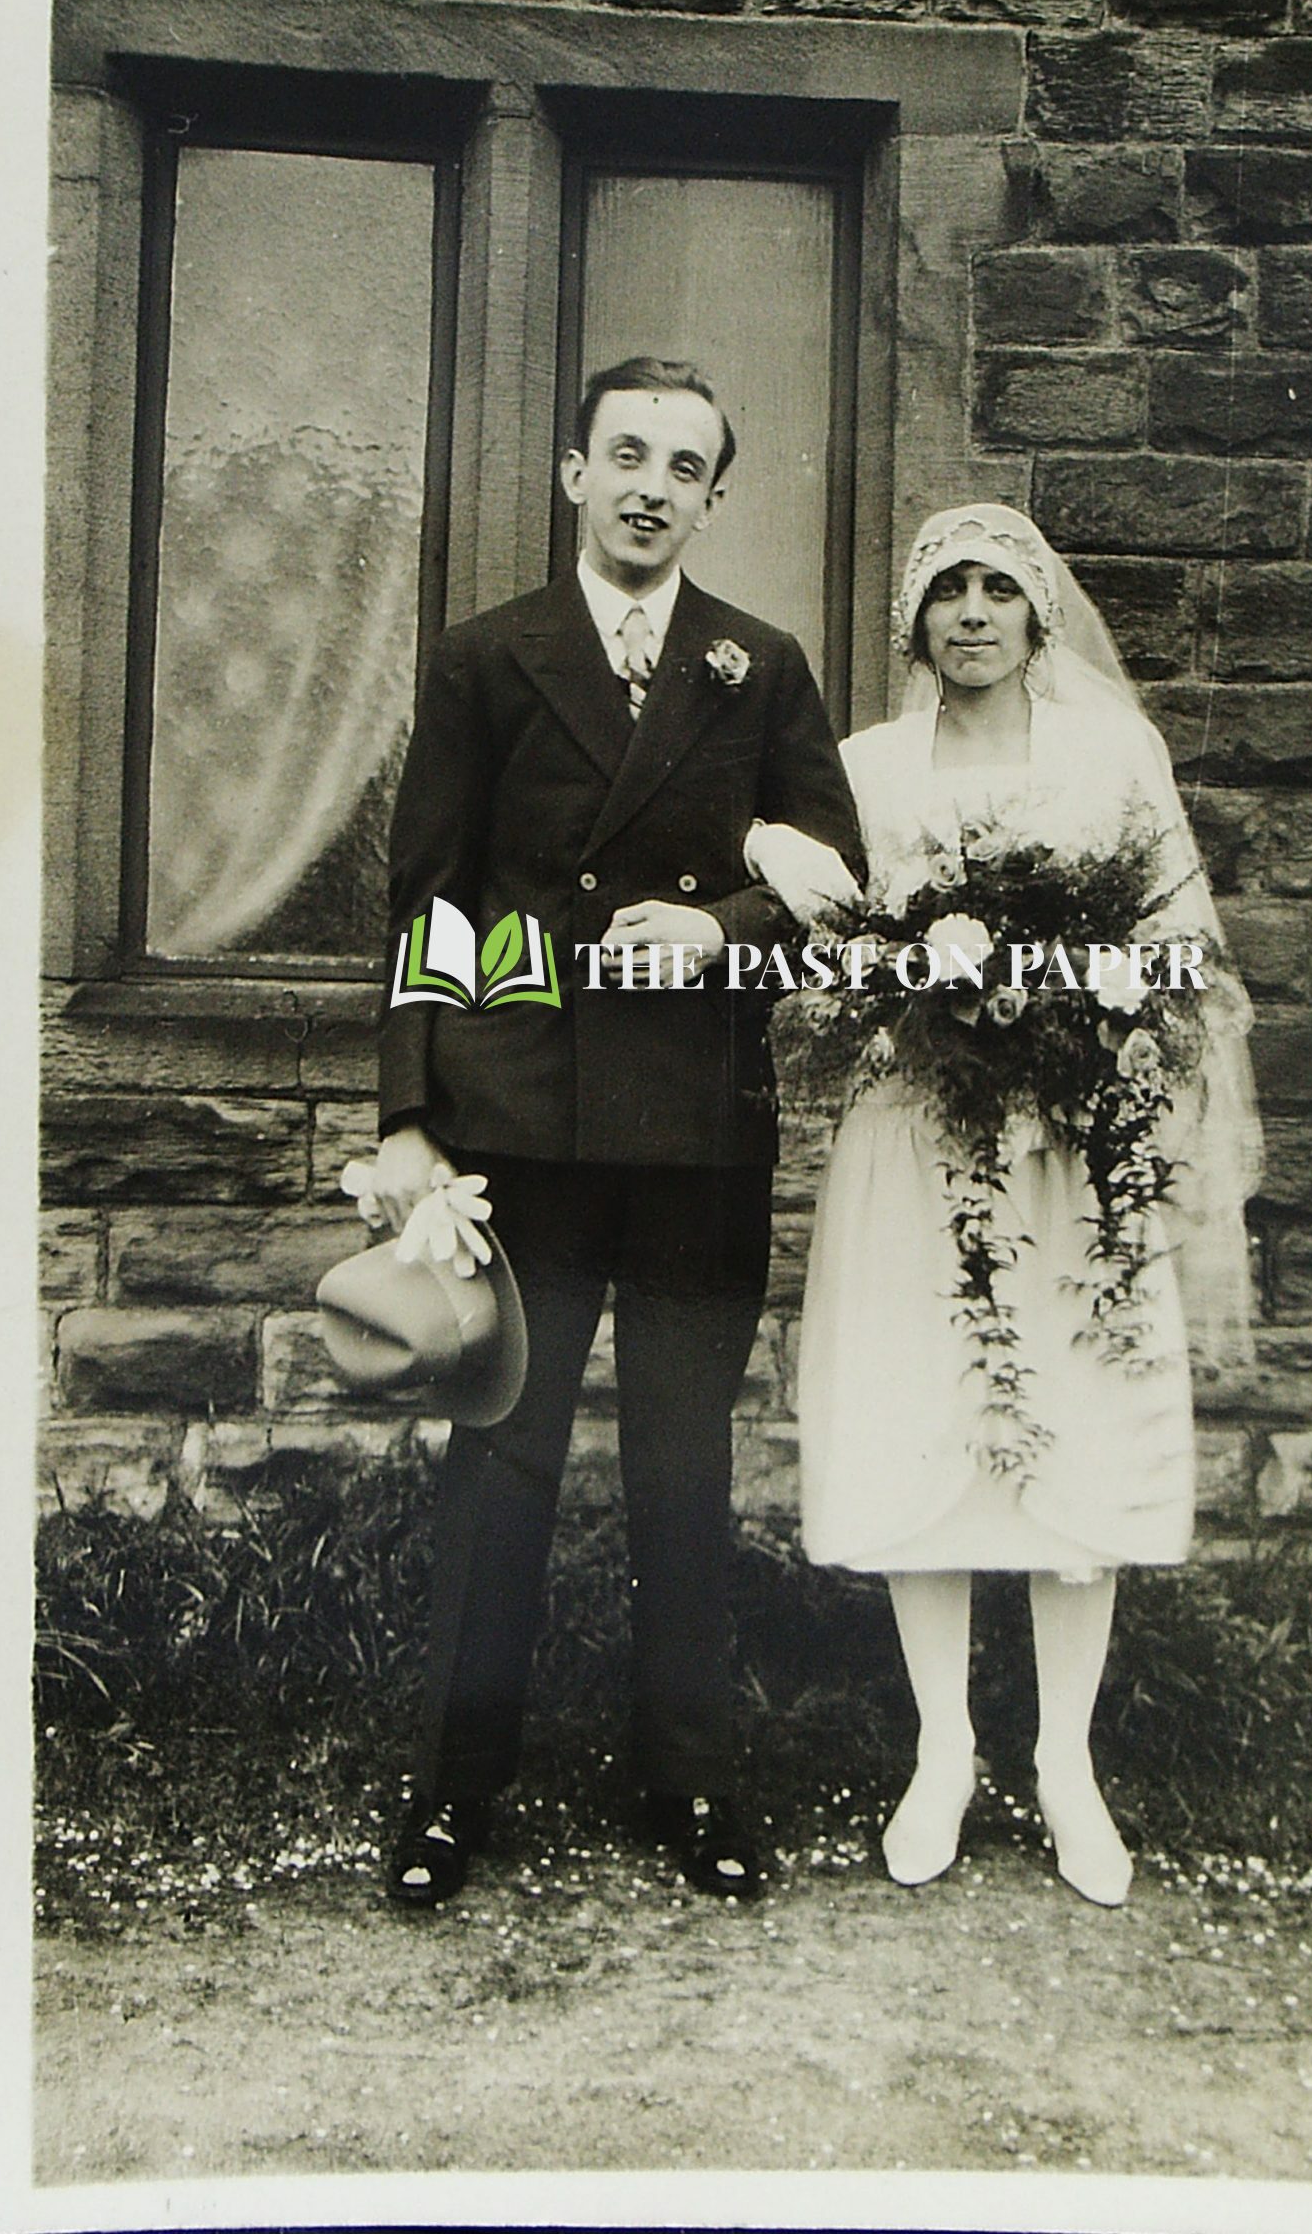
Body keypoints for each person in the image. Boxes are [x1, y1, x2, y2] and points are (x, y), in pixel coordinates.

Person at [369, 356, 863, 1908]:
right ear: (575, 473)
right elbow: (432, 900)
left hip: (697, 1131)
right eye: (627, 455)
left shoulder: (761, 665)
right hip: (521, 1125)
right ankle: (454, 1792)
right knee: (501, 1458)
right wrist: (407, 1118)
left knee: (682, 1467)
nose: (652, 488)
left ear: (714, 498)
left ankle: (692, 1781)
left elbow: (834, 878)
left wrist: (721, 931)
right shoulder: (485, 659)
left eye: (684, 467)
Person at [789, 504, 1261, 1903]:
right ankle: (942, 1750)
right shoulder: (868, 770)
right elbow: (834, 961)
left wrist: (1092, 1022)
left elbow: (1179, 948)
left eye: (999, 590)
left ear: (1038, 615)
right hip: (917, 1139)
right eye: (949, 592)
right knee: (925, 1415)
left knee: (1077, 1412)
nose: (974, 615)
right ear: (916, 623)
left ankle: (1065, 1761)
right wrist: (910, 999)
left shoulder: (1110, 756)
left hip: (1073, 1141)